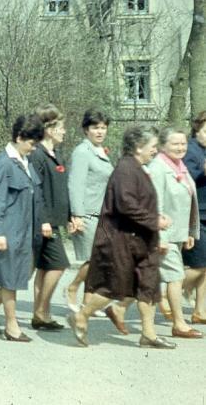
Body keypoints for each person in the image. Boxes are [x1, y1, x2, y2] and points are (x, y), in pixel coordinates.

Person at [67, 126, 176, 349]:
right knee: (114, 288)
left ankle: (148, 334)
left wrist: (154, 217)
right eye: (152, 147)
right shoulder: (125, 169)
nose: (155, 151)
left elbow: (138, 202)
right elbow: (126, 204)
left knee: (149, 285)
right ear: (138, 147)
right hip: (121, 240)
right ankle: (81, 315)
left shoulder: (138, 167)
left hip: (142, 240)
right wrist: (154, 220)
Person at [0, 115, 44, 342]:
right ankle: (11, 326)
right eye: (32, 143)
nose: (34, 148)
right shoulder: (3, 163)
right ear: (18, 137)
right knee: (9, 278)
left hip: (23, 231)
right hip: (8, 231)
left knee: (14, 275)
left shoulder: (23, 162)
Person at [148, 126, 202, 338]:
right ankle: (179, 324)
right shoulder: (158, 168)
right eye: (175, 144)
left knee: (158, 277)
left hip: (177, 233)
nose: (181, 148)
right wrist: (161, 237)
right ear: (162, 145)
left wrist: (189, 231)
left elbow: (187, 200)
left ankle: (118, 308)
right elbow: (156, 204)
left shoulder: (179, 166)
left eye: (183, 144)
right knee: (176, 276)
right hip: (163, 234)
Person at [65, 109, 114, 311]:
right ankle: (71, 288)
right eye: (95, 128)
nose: (100, 132)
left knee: (98, 260)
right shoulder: (82, 152)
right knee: (94, 259)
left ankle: (88, 303)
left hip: (103, 213)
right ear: (86, 130)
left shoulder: (100, 151)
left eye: (103, 128)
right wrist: (77, 215)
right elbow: (75, 184)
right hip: (87, 213)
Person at [27, 104, 71, 331]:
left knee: (44, 268)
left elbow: (62, 189)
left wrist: (71, 215)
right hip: (44, 223)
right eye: (61, 127)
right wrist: (43, 220)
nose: (64, 131)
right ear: (50, 129)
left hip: (55, 220)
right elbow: (37, 191)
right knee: (59, 265)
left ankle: (40, 315)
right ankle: (42, 310)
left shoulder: (57, 154)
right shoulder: (37, 156)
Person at [183, 111, 206, 325]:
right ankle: (169, 290)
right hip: (196, 214)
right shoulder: (190, 149)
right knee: (199, 265)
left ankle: (199, 311)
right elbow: (185, 175)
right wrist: (203, 171)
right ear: (197, 129)